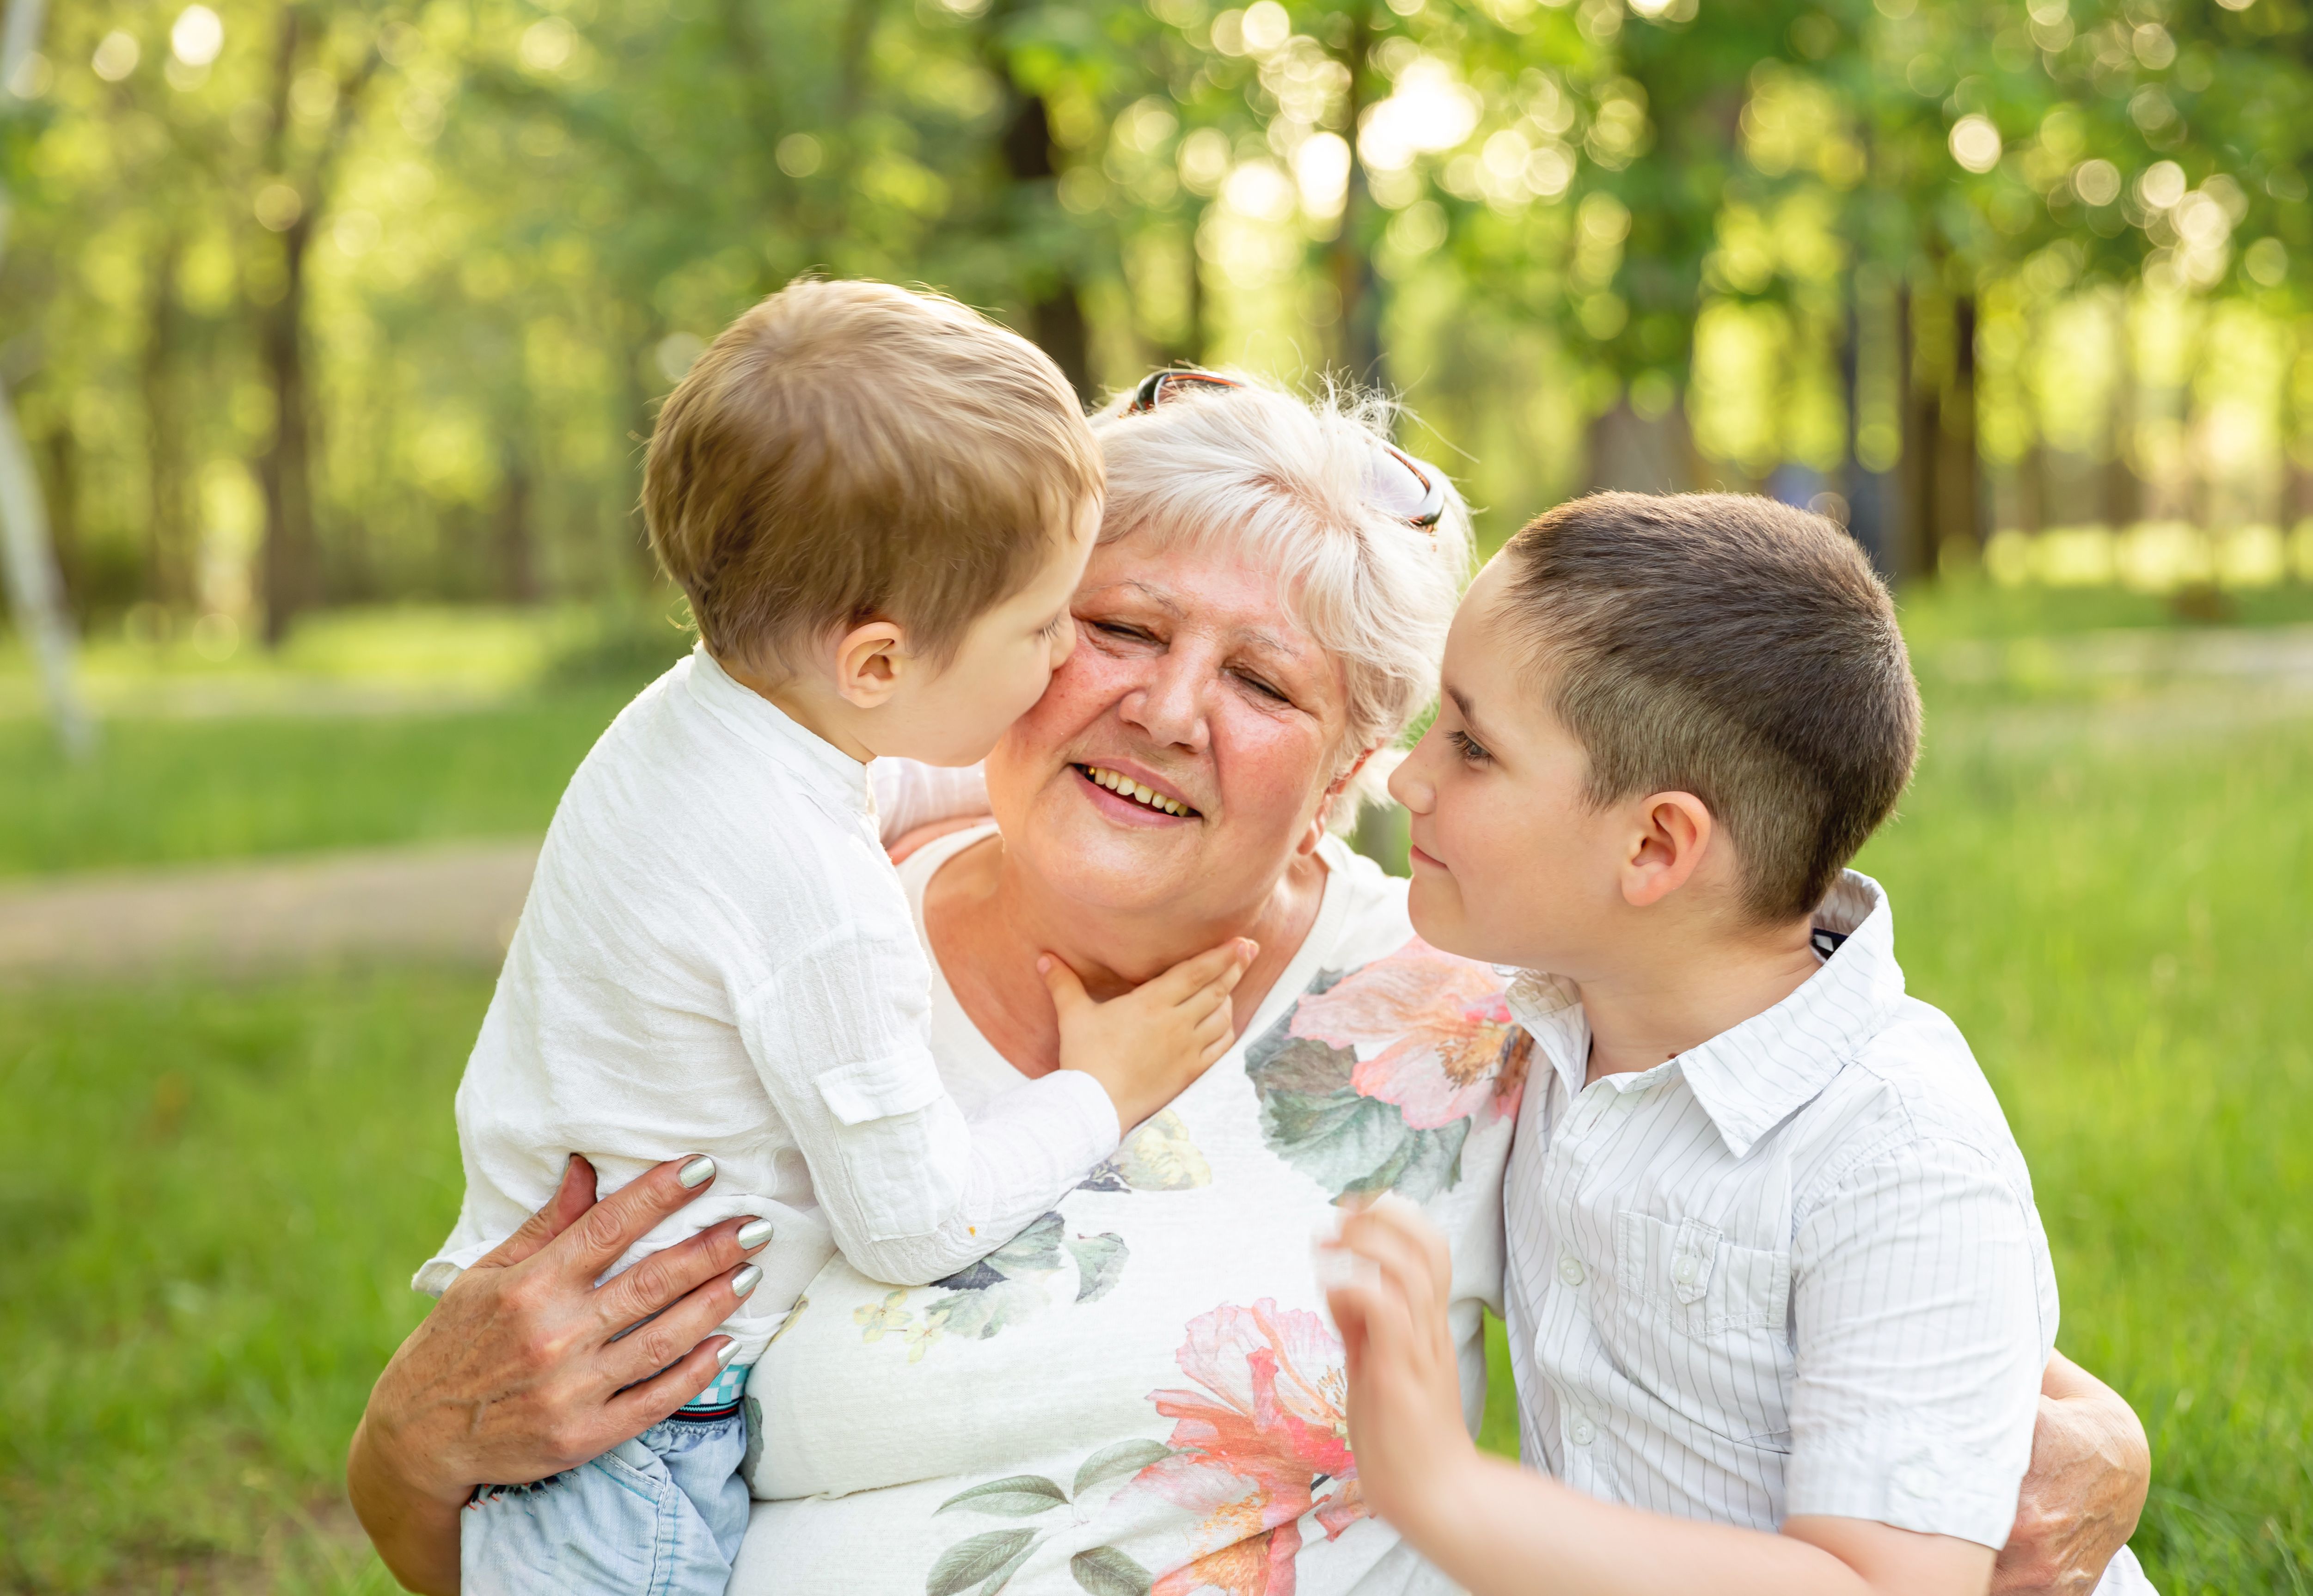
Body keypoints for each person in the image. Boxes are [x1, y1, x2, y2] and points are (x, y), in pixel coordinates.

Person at [348, 382, 2151, 1596]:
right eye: (1117, 629)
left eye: (1264, 682)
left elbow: (1804, 1221)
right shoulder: (778, 945)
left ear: (1363, 764)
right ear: (1010, 638)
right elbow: (537, 1513)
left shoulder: (1466, 1003)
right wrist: (406, 1449)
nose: (1164, 706)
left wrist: (2099, 1449)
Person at [416, 283, 1251, 1596]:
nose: (1058, 662)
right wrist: (1102, 1087)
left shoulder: (703, 718)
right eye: (1044, 625)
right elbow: (912, 1220)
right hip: (632, 1444)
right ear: (875, 663)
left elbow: (878, 780)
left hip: (591, 1376)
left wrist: (1075, 786)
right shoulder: (820, 908)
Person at [1318, 493, 2155, 1595]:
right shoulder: (1557, 1011)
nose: (1408, 776)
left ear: (1656, 846)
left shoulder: (1896, 1152)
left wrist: (1447, 1490)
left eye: (1472, 745)